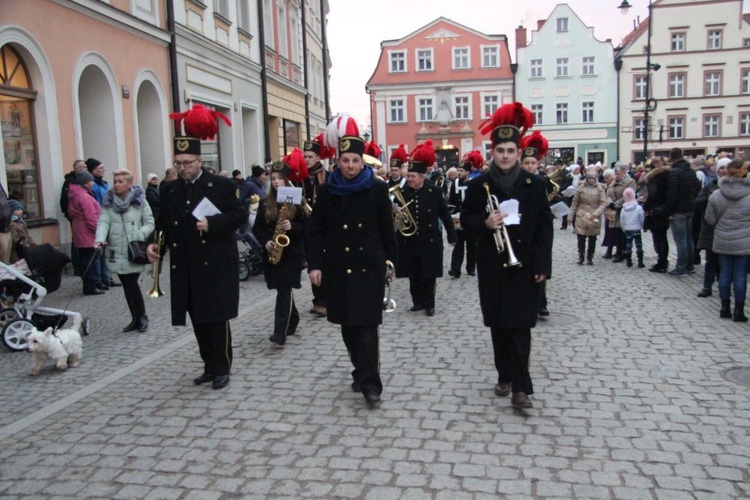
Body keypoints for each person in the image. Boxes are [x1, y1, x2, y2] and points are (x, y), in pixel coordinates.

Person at [460, 102, 553, 410]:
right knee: (499, 326)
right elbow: (467, 221)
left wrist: (543, 265)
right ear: (492, 152)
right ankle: (504, 374)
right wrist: (484, 223)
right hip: (492, 265)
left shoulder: (535, 184)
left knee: (520, 328)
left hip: (524, 267)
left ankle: (521, 389)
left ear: (518, 152)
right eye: (500, 151)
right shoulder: (479, 186)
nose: (505, 156)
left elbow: (544, 228)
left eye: (510, 151)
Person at [147, 104, 246, 390]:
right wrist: (154, 246)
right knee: (198, 319)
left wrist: (213, 225)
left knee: (215, 319)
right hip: (185, 264)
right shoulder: (170, 190)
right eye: (179, 163)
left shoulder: (221, 186)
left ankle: (222, 366)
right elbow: (162, 223)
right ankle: (208, 365)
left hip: (214, 263)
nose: (182, 168)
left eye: (188, 163)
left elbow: (238, 216)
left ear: (199, 161)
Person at [307, 114, 397, 407]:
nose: (349, 166)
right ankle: (360, 369)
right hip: (338, 269)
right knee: (348, 326)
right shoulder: (327, 190)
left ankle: (372, 384)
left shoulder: (378, 189)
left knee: (367, 327)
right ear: (338, 161)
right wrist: (315, 265)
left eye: (355, 161)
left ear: (362, 161)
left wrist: (390, 262)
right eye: (345, 160)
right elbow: (316, 230)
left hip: (368, 267)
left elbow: (387, 230)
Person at [394, 140, 456, 316]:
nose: (409, 179)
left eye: (412, 176)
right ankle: (417, 302)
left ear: (422, 176)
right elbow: (395, 214)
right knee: (413, 273)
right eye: (409, 176)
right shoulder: (404, 192)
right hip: (409, 239)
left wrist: (452, 235)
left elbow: (444, 214)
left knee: (429, 274)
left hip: (429, 239)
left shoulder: (434, 191)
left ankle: (429, 303)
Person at [253, 151, 309, 345]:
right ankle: (293, 319)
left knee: (284, 290)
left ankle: (280, 333)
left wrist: (293, 227)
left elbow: (308, 227)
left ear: (287, 181)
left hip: (292, 253)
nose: (276, 182)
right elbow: (257, 228)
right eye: (273, 179)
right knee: (282, 290)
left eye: (280, 179)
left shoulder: (297, 200)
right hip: (273, 250)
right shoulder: (265, 202)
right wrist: (266, 241)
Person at [94, 170, 155, 332]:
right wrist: (99, 239)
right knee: (127, 284)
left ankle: (142, 316)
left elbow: (149, 222)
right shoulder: (108, 202)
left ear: (129, 183)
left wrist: (139, 235)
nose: (117, 184)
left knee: (131, 283)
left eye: (121, 181)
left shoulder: (139, 201)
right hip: (116, 248)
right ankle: (135, 317)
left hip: (134, 249)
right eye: (115, 181)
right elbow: (103, 222)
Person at [704, 158, 750, 322]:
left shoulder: (716, 194)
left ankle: (724, 308)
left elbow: (709, 219)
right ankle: (738, 311)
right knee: (740, 274)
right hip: (744, 240)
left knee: (724, 273)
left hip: (722, 238)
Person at [519, 132, 553, 317]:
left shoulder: (543, 182)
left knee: (540, 264)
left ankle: (542, 302)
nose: (530, 166)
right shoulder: (515, 182)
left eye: (533, 163)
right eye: (527, 163)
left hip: (538, 228)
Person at [657, 148, 701, 277]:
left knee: (681, 240)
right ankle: (690, 266)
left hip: (678, 211)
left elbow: (672, 194)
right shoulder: (691, 171)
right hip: (689, 209)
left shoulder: (675, 172)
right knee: (689, 240)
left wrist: (667, 211)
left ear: (671, 157)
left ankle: (681, 268)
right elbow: (698, 189)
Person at [302, 134, 332, 317]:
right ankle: (318, 299)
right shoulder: (299, 177)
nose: (306, 160)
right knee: (312, 261)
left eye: (310, 157)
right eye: (305, 156)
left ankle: (325, 299)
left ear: (318, 158)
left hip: (324, 226)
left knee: (324, 262)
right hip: (306, 225)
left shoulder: (327, 176)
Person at [695, 159, 728, 297]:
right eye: (721, 168)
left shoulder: (734, 186)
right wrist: (707, 199)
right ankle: (707, 287)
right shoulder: (711, 185)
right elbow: (697, 203)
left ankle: (723, 287)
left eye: (726, 168)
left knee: (724, 262)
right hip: (711, 228)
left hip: (727, 228)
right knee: (710, 260)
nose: (724, 171)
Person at [86, 158, 120, 290]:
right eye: (100, 168)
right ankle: (101, 278)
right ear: (92, 170)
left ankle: (108, 277)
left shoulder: (105, 184)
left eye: (103, 167)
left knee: (110, 250)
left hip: (110, 217)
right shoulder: (92, 186)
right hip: (100, 218)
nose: (103, 170)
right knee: (100, 251)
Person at [448, 150, 483, 278]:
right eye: (458, 170)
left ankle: (470, 268)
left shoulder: (474, 183)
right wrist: (452, 210)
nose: (459, 173)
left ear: (468, 172)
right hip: (458, 217)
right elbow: (451, 200)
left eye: (462, 171)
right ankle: (455, 269)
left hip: (471, 217)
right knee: (458, 244)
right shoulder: (454, 183)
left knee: (471, 244)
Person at [67, 170, 104, 295]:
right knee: (89, 258)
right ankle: (90, 285)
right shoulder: (84, 196)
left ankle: (92, 283)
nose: (93, 183)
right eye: (91, 181)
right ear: (85, 183)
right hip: (86, 231)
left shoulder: (77, 194)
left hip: (81, 229)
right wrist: (99, 232)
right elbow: (91, 217)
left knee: (87, 257)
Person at [570, 166, 606, 265]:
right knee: (581, 236)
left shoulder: (600, 189)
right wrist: (571, 215)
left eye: (593, 178)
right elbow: (575, 203)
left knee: (592, 237)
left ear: (595, 178)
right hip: (582, 214)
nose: (590, 180)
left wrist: (596, 213)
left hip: (594, 215)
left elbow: (603, 203)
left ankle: (590, 256)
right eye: (589, 178)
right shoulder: (580, 187)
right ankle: (581, 255)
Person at [642, 157, 671, 273]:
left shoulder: (655, 179)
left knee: (659, 237)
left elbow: (653, 195)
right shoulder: (668, 176)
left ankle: (662, 262)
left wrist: (646, 206)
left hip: (656, 211)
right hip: (664, 209)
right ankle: (663, 260)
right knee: (663, 237)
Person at [60, 159, 88, 275]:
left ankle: (82, 267)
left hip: (84, 216)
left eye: (85, 167)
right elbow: (64, 201)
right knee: (77, 242)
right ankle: (78, 266)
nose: (85, 169)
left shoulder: (84, 180)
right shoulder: (71, 182)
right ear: (77, 169)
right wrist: (70, 215)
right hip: (77, 217)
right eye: (83, 167)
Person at [607, 164, 636, 263]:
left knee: (623, 232)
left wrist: (617, 204)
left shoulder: (630, 182)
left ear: (624, 173)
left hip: (624, 210)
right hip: (613, 211)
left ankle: (624, 252)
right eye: (615, 173)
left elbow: (629, 195)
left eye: (618, 173)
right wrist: (609, 202)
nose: (616, 176)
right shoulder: (613, 182)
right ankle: (618, 251)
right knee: (615, 231)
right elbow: (608, 194)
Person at [620, 187, 645, 268]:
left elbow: (622, 219)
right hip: (637, 228)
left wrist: (623, 228)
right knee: (639, 244)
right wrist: (642, 225)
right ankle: (640, 262)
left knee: (628, 245)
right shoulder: (638, 208)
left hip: (628, 229)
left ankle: (628, 261)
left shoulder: (623, 209)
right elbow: (642, 217)